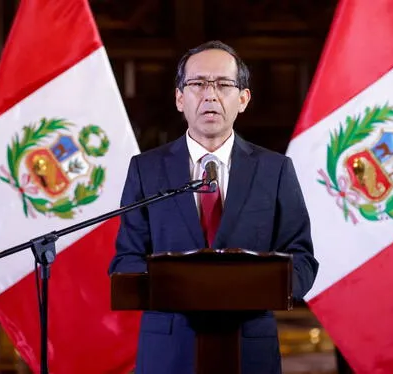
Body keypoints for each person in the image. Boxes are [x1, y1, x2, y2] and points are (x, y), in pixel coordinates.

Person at [108, 40, 319, 374]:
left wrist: (251, 288)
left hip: (248, 348)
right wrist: (183, 286)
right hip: (168, 351)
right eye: (197, 84)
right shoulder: (146, 169)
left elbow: (302, 258)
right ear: (180, 98)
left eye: (223, 85)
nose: (210, 95)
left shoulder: (274, 170)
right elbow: (126, 258)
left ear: (243, 99)